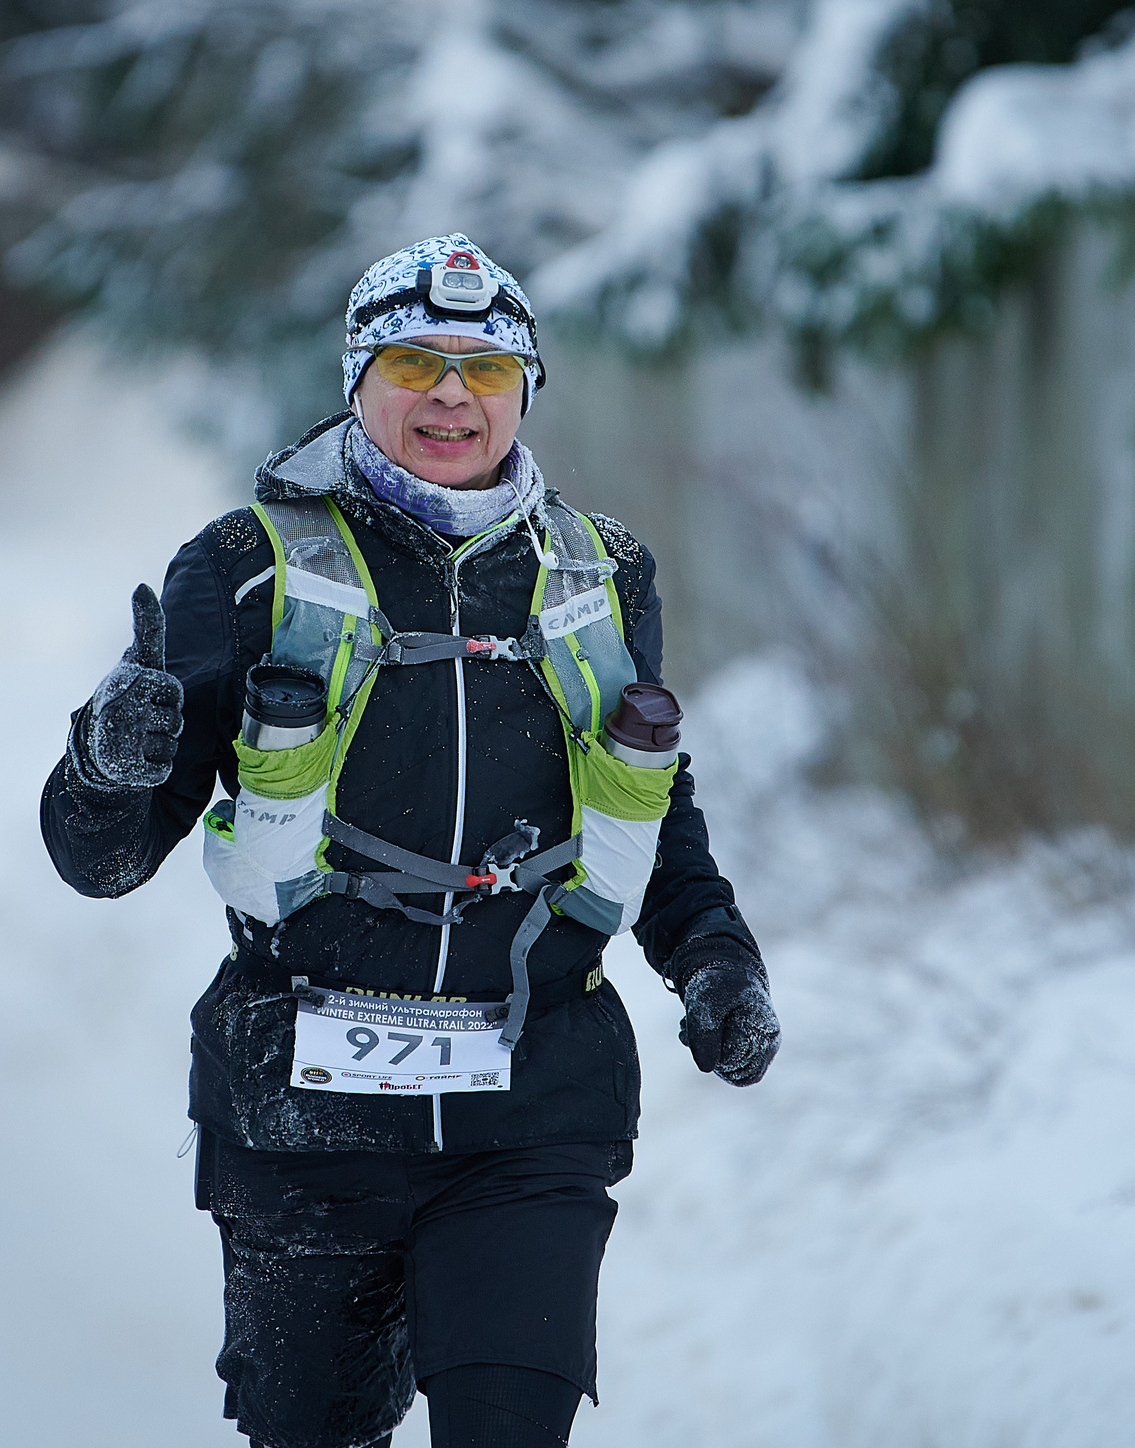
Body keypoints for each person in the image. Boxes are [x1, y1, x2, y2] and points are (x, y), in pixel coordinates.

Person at [41, 233, 779, 1448]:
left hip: (532, 1108)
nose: (450, 395)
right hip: (304, 1117)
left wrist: (714, 958)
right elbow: (101, 859)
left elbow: (656, 802)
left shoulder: (600, 573)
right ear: (357, 379)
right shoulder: (245, 567)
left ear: (524, 392)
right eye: (416, 362)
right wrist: (107, 761)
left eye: (485, 370)